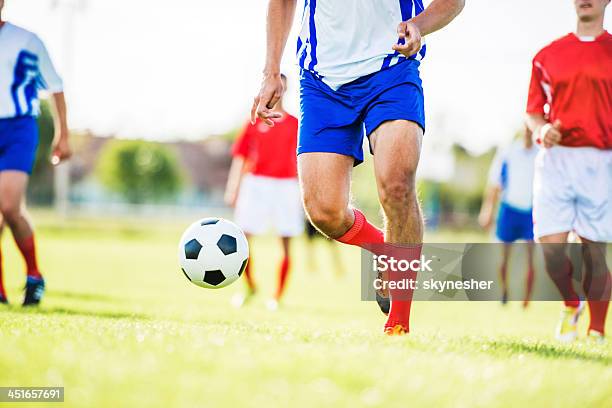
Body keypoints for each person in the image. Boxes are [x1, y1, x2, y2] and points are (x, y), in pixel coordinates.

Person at [252, 0, 464, 335]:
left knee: (397, 185)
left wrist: (420, 25)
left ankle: (399, 325)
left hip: (393, 68)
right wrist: (271, 72)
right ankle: (386, 249)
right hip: (322, 80)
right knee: (324, 211)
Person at [525, 0, 611, 342]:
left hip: (601, 162)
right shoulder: (548, 55)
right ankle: (571, 303)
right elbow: (533, 111)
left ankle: (596, 330)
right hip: (556, 159)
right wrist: (542, 129)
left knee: (594, 251)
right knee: (551, 248)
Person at [0, 1, 71, 306]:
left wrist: (63, 134)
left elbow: (55, 86)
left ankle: (33, 274)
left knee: (9, 206)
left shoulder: (26, 40)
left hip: (18, 129)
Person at [225, 74, 302, 311]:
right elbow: (241, 156)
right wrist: (233, 187)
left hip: (286, 185)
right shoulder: (253, 121)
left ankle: (277, 297)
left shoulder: (295, 123)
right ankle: (249, 286)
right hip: (255, 184)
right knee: (243, 242)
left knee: (286, 242)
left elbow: (303, 160)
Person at [479, 127, 538, 307]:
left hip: (531, 211)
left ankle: (526, 301)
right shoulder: (508, 152)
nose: (529, 133)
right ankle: (504, 290)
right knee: (503, 257)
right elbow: (495, 184)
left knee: (531, 257)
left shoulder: (541, 154)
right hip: (509, 209)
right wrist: (487, 210)